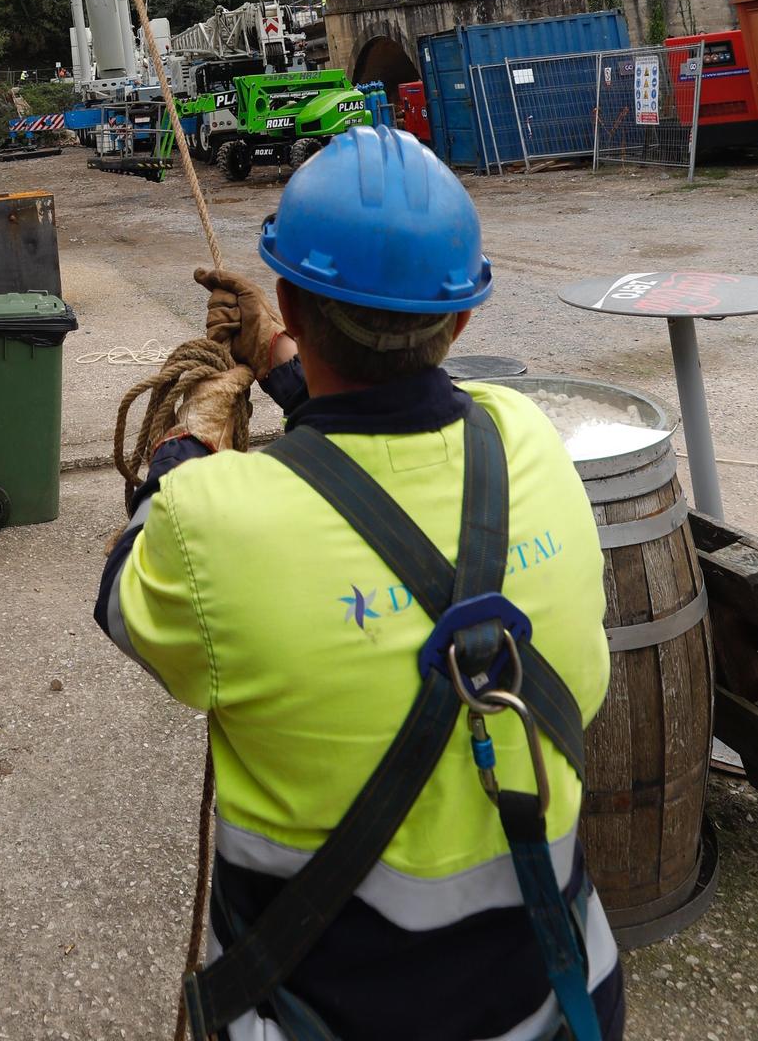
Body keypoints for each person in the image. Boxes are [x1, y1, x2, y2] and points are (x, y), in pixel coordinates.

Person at [97, 127, 622, 1041]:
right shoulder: (523, 438)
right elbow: (382, 431)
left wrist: (190, 431)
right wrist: (277, 356)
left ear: (293, 301)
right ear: (461, 320)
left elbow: (121, 592)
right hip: (555, 1000)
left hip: (317, 1016)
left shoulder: (207, 517)